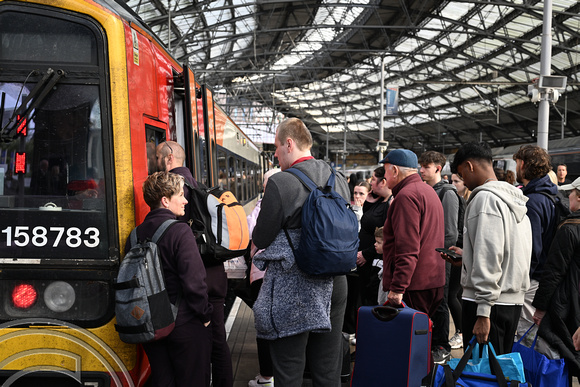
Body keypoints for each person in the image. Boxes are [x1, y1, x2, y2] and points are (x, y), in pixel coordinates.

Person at [250, 117, 351, 386]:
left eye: (277, 147)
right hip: (335, 283)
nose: (275, 154)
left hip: (295, 285)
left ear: (289, 144)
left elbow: (261, 236)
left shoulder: (281, 182)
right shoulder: (337, 178)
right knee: (327, 368)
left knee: (289, 368)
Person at [156, 140, 234, 387]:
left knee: (201, 345)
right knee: (219, 342)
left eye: (157, 158)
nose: (154, 163)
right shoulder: (200, 188)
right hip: (214, 275)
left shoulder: (177, 192)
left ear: (169, 159)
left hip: (195, 281)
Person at [448, 142, 531, 355]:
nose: (463, 181)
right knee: (498, 374)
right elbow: (507, 252)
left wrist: (483, 313)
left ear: (470, 165)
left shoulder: (484, 199)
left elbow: (490, 255)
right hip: (510, 301)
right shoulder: (515, 200)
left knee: (480, 374)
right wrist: (468, 257)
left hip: (486, 305)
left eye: (461, 173)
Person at [132, 171, 213, 386]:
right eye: (180, 195)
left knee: (163, 380)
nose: (186, 200)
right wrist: (204, 314)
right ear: (165, 200)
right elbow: (194, 281)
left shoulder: (134, 235)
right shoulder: (180, 232)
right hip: (184, 323)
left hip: (151, 325)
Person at [381, 149, 445, 364]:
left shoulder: (406, 196)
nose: (384, 177)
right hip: (432, 280)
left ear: (395, 170)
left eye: (386, 171)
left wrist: (398, 288)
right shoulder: (427, 191)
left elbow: (408, 249)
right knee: (420, 344)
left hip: (413, 285)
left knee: (406, 351)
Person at [512, 145, 560, 350]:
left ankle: (529, 380)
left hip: (532, 281)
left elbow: (531, 248)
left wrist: (519, 280)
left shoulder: (532, 202)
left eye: (516, 163)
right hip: (545, 277)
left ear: (523, 165)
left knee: (525, 335)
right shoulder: (551, 196)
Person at [532, 177, 580, 377]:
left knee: (566, 359)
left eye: (572, 193)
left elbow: (554, 272)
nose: (568, 195)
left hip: (568, 306)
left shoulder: (569, 229)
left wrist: (540, 308)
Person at [419, 150, 460, 363]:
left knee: (441, 300)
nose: (421, 170)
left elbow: (450, 232)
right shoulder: (427, 190)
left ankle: (442, 345)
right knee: (431, 299)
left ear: (437, 168)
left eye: (425, 167)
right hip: (428, 257)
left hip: (440, 258)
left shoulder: (447, 193)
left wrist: (436, 252)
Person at [246, 168, 280, 387]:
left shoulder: (263, 208)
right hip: (285, 274)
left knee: (265, 324)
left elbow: (250, 232)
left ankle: (267, 376)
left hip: (262, 272)